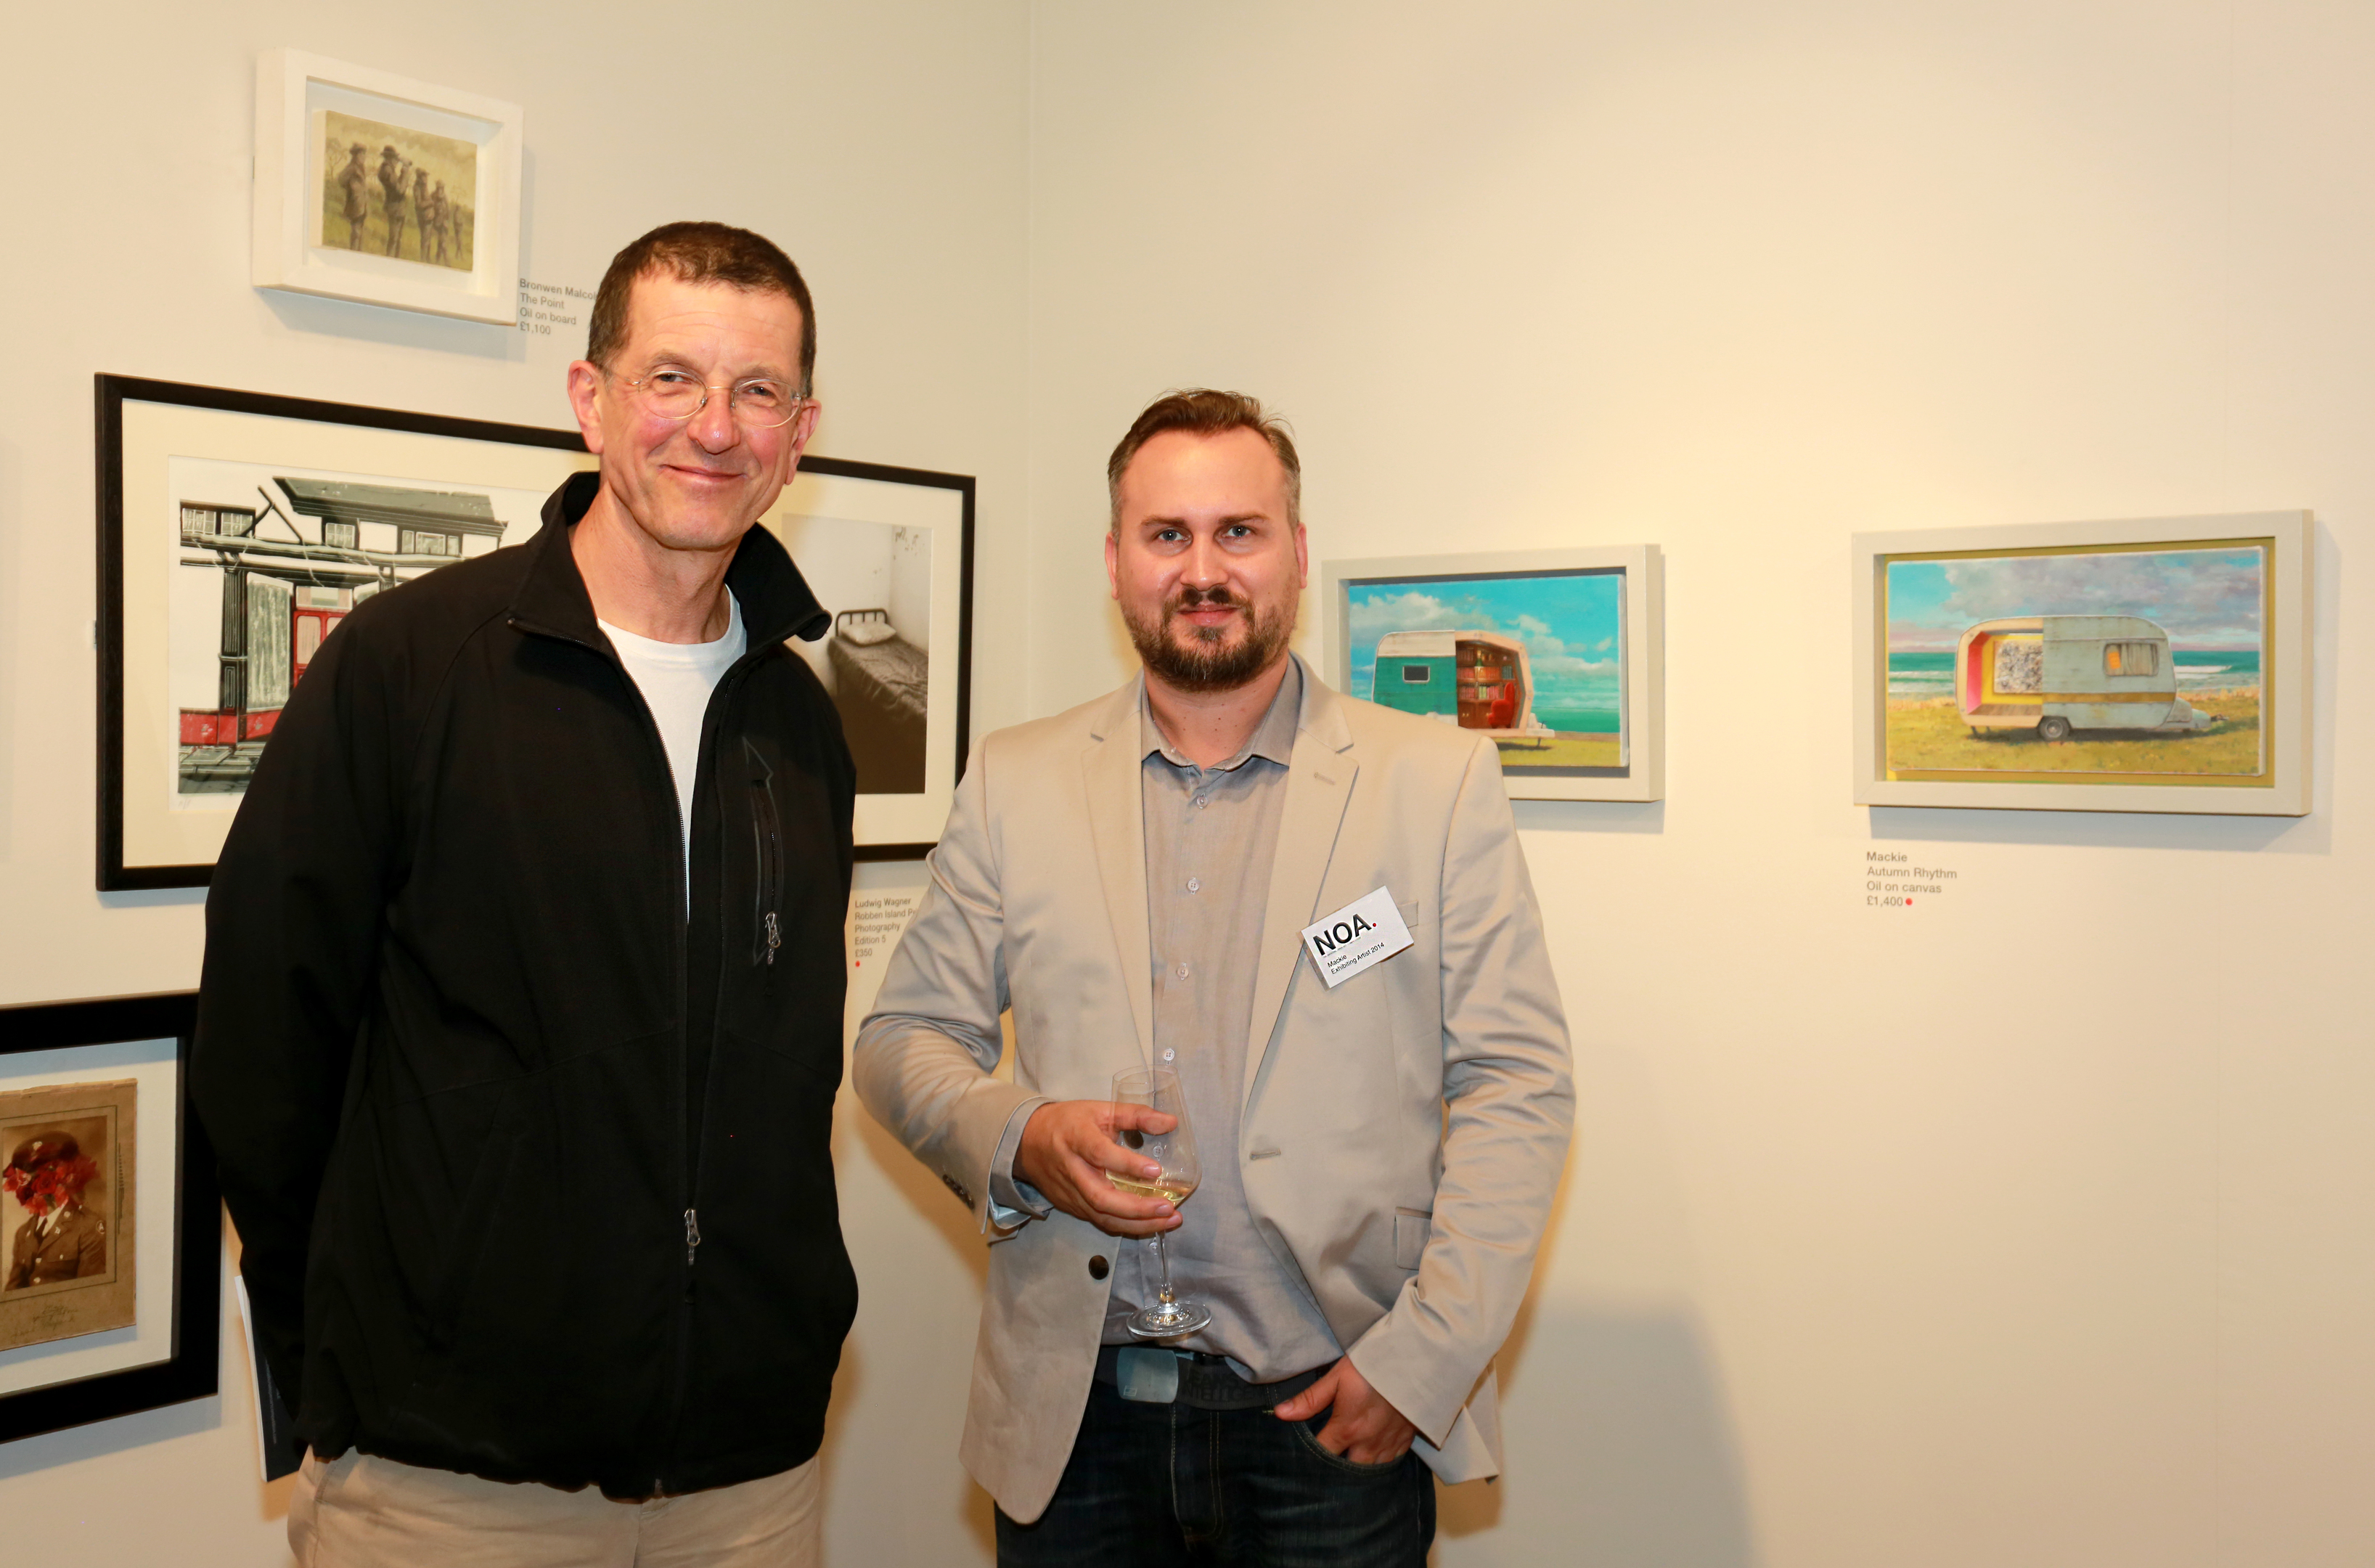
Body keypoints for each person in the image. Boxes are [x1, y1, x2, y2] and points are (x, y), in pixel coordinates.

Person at [195, 221, 855, 1566]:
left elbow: (787, 1068)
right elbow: (265, 1044)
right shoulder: (410, 667)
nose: (713, 428)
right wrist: (349, 1364)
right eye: (672, 378)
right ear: (590, 400)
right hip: (452, 1474)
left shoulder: (798, 718)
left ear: (801, 430)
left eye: (756, 392)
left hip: (746, 1473)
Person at [855, 390, 1573, 1565]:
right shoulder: (1016, 780)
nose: (1203, 568)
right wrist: (1020, 1134)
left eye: (1238, 532)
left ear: (1294, 552)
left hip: (1330, 1418)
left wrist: (1425, 1359)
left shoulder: (1431, 785)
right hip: (1070, 1422)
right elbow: (898, 1041)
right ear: (1115, 559)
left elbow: (1515, 1086)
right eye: (1167, 535)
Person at [3, 1133, 106, 1288]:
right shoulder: (23, 1233)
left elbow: (91, 1293)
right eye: (24, 1181)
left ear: (62, 1178)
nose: (28, 1188)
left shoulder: (89, 1227)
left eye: (37, 1178)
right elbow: (13, 1291)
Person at [336, 142, 370, 250]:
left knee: (360, 234)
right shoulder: (352, 167)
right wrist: (351, 188)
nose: (363, 157)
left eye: (364, 154)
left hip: (362, 205)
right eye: (361, 155)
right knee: (356, 233)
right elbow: (341, 179)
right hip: (355, 204)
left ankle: (358, 255)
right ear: (355, 156)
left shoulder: (361, 168)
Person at [376, 145, 408, 256]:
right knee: (394, 238)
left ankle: (395, 260)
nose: (396, 162)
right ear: (389, 158)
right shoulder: (388, 170)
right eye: (395, 159)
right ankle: (391, 260)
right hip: (395, 207)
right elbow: (400, 190)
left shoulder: (388, 170)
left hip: (396, 207)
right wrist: (404, 171)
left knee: (397, 238)